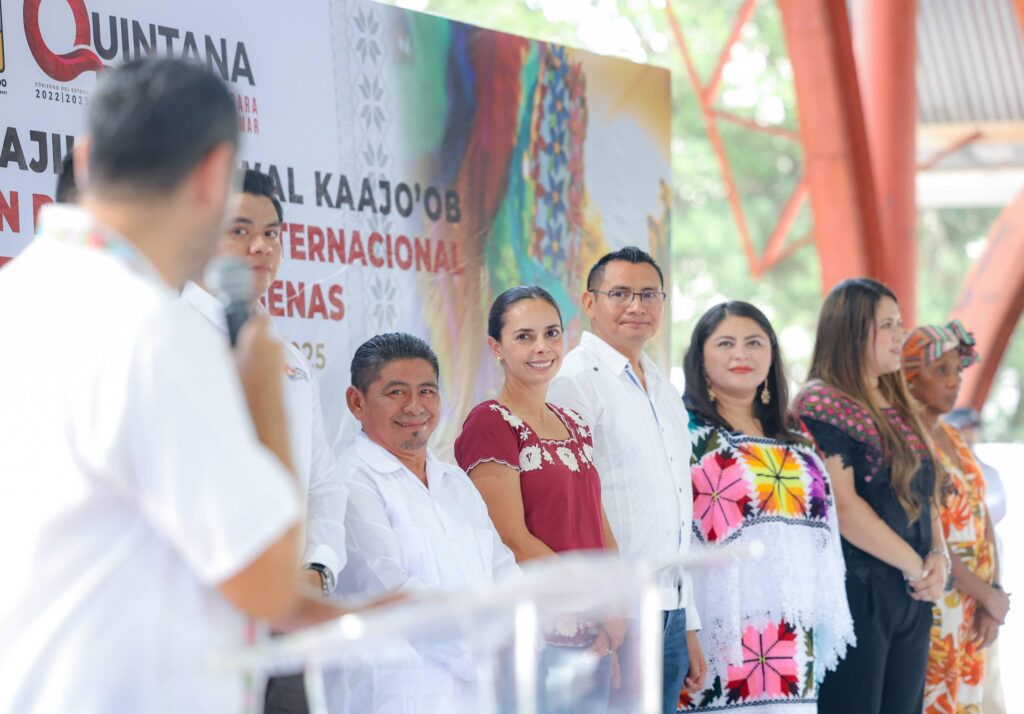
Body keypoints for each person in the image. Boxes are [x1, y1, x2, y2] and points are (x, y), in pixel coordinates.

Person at [0, 58, 350, 713]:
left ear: (85, 158)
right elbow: (268, 585)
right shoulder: (154, 328)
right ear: (216, 175)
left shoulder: (16, 297)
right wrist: (263, 397)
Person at [180, 169, 348, 714]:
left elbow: (322, 482)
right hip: (203, 626)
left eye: (272, 233)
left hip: (288, 620)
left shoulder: (287, 356)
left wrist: (318, 567)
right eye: (240, 230)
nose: (261, 246)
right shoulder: (168, 337)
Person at [549, 246, 707, 714]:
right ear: (590, 302)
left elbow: (678, 509)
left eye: (649, 294)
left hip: (670, 609)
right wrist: (601, 611)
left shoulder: (664, 389)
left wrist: (688, 619)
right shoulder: (574, 381)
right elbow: (571, 508)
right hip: (616, 612)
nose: (636, 306)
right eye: (620, 293)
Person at [679, 301, 853, 711]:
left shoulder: (798, 438)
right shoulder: (685, 433)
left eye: (754, 342)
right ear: (701, 358)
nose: (741, 353)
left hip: (792, 635)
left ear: (772, 355)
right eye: (725, 343)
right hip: (718, 632)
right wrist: (686, 627)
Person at [454, 285, 621, 710]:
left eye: (551, 333)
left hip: (596, 635)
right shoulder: (490, 423)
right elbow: (512, 540)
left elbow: (597, 520)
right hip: (538, 637)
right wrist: (595, 603)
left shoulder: (574, 422)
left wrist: (615, 605)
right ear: (496, 347)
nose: (542, 347)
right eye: (524, 336)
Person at [335, 332, 520, 713]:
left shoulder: (455, 482)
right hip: (399, 700)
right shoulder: (351, 483)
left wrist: (520, 647)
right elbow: (396, 600)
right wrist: (493, 660)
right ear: (356, 402)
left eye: (427, 392)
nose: (415, 406)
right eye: (396, 392)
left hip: (482, 698)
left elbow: (503, 573)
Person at [794, 278, 946, 714]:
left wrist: (938, 556)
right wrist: (916, 565)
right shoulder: (820, 403)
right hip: (859, 589)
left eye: (900, 322)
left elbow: (926, 490)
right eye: (887, 325)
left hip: (912, 588)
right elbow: (844, 507)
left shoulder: (899, 403)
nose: (901, 334)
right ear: (852, 330)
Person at [901, 322, 1008, 713]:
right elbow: (929, 537)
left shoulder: (954, 437)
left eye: (958, 370)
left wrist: (993, 592)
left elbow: (981, 514)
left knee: (969, 702)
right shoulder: (907, 441)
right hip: (938, 599)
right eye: (941, 370)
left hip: (975, 602)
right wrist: (987, 595)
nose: (954, 381)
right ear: (910, 378)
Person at [946, 406, 1008, 714]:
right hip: (949, 587)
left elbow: (988, 519)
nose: (969, 435)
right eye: (964, 428)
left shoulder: (982, 470)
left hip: (984, 577)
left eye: (972, 429)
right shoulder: (933, 453)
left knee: (984, 667)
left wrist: (992, 590)